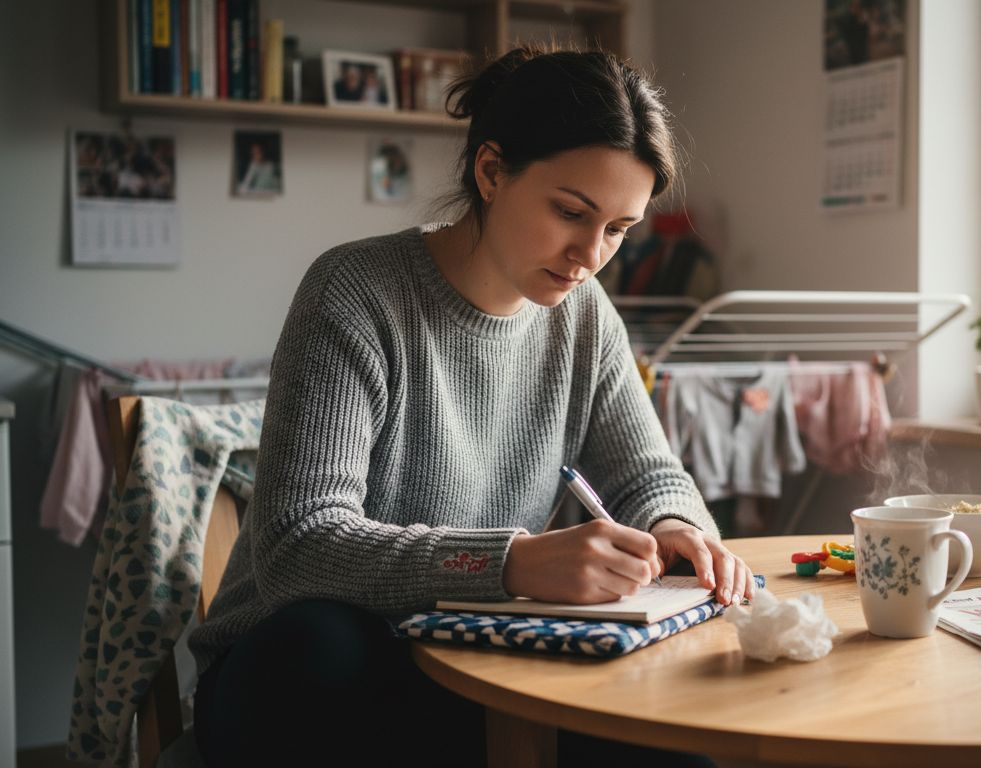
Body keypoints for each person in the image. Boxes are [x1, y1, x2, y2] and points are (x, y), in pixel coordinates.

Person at [188, 45, 753, 767]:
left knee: (674, 750)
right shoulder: (355, 292)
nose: (589, 256)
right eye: (571, 212)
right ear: (490, 171)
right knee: (327, 643)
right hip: (298, 673)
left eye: (617, 229)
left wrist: (677, 525)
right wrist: (511, 564)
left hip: (473, 662)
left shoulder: (585, 316)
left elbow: (647, 474)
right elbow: (299, 546)